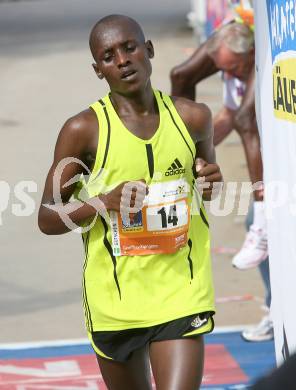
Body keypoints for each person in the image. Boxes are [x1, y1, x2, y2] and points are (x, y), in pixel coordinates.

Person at [38, 14, 222, 390]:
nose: (122, 60)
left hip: (180, 290)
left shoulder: (193, 118)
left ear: (148, 50)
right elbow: (47, 216)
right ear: (98, 70)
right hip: (116, 300)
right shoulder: (83, 130)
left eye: (129, 47)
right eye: (108, 56)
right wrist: (104, 202)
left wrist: (210, 181)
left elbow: (207, 183)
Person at [171, 22, 268, 270]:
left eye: (235, 68)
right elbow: (228, 117)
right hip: (268, 165)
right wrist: (185, 157)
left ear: (252, 53)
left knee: (263, 227)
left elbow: (242, 118)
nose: (232, 75)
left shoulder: (262, 64)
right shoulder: (236, 72)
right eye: (225, 70)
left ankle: (262, 218)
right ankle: (272, 304)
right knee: (254, 230)